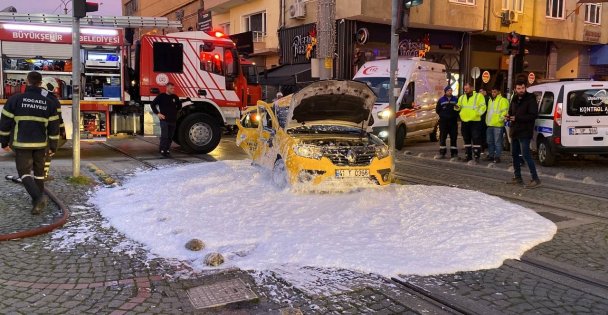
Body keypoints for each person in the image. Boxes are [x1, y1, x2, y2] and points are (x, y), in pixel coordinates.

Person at [0, 71, 60, 214]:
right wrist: (53, 146)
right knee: (39, 173)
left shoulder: (15, 99)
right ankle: (37, 203)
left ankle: (38, 199)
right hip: (41, 145)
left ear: (27, 81)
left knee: (24, 173)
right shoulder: (49, 103)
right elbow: (54, 127)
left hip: (22, 144)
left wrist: (3, 142)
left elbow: (5, 123)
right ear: (41, 84)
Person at [507, 80, 541, 188]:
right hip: (515, 131)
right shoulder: (514, 98)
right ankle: (517, 177)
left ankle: (535, 179)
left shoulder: (530, 99)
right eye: (518, 89)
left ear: (525, 87)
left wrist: (517, 118)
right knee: (514, 154)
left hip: (525, 131)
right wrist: (508, 116)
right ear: (515, 89)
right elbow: (511, 112)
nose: (521, 90)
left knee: (526, 155)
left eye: (522, 88)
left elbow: (533, 115)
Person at [456, 83, 487, 162]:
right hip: (465, 121)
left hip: (475, 121)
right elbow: (458, 107)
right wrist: (456, 108)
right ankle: (468, 156)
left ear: (472, 88)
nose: (465, 90)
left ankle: (477, 156)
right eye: (464, 88)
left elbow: (483, 107)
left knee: (476, 138)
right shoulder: (462, 97)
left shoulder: (478, 96)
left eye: (467, 88)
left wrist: (477, 114)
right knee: (466, 139)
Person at [151, 82, 182, 157]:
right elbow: (152, 104)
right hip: (164, 120)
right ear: (167, 88)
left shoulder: (175, 97)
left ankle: (167, 149)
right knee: (164, 136)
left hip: (173, 120)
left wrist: (177, 109)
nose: (173, 90)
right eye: (171, 88)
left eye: (173, 88)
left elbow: (179, 107)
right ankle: (162, 150)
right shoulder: (161, 96)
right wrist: (158, 113)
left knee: (170, 136)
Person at [43, 82, 65, 181]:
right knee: (49, 152)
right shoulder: (54, 101)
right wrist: (62, 130)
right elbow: (59, 118)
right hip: (50, 130)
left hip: (38, 130)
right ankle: (44, 174)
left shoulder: (38, 98)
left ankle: (36, 174)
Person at [485, 87, 509, 163]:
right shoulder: (490, 100)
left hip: (498, 125)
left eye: (494, 92)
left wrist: (499, 120)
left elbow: (505, 112)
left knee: (497, 142)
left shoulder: (503, 100)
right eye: (492, 92)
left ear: (499, 92)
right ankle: (491, 156)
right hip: (490, 124)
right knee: (490, 141)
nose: (493, 93)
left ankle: (497, 157)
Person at [435, 86, 459, 159]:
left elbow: (459, 108)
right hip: (443, 122)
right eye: (448, 90)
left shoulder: (455, 99)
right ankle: (442, 152)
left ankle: (454, 153)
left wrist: (455, 116)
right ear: (445, 91)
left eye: (451, 90)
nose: (450, 92)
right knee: (442, 137)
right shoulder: (441, 100)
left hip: (453, 122)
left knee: (453, 137)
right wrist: (443, 116)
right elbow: (437, 110)